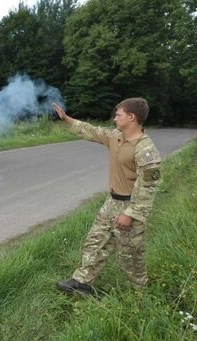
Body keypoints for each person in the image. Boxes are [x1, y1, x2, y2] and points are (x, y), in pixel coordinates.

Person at [53, 98, 161, 295]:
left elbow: (147, 189)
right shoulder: (116, 136)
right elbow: (92, 131)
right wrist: (66, 118)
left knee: (130, 256)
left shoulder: (146, 150)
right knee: (95, 241)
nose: (114, 118)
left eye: (118, 114)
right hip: (112, 202)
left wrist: (130, 214)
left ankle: (141, 294)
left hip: (131, 206)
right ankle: (81, 282)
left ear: (131, 117)